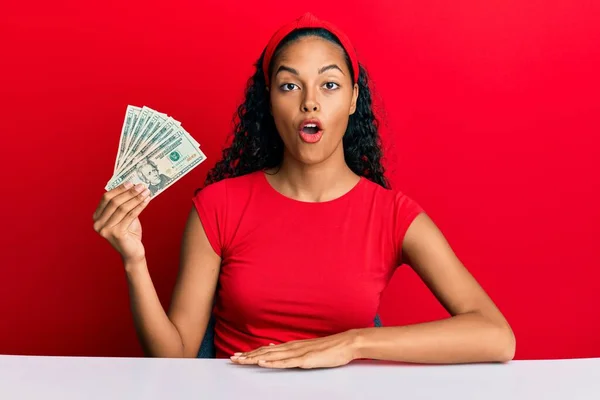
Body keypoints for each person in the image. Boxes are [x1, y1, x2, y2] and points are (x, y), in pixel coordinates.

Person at [93, 12, 515, 369]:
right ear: (270, 102)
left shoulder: (392, 214)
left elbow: (496, 336)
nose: (309, 102)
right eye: (290, 85)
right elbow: (175, 358)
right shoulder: (217, 206)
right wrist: (134, 261)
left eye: (329, 85)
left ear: (353, 99)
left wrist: (353, 343)